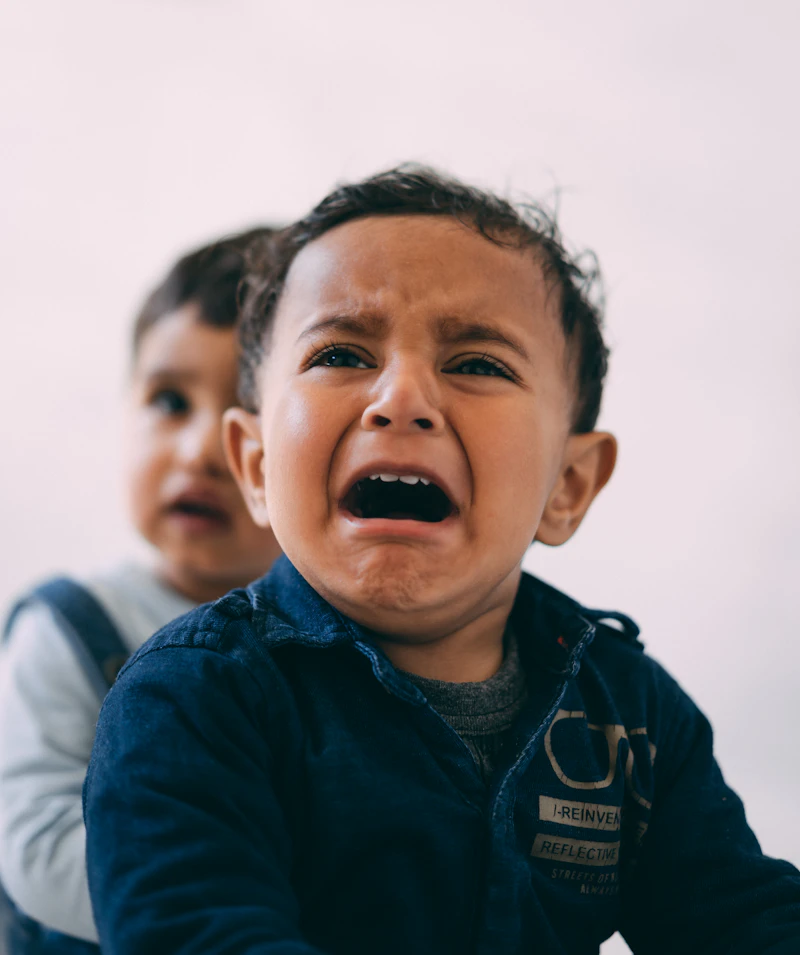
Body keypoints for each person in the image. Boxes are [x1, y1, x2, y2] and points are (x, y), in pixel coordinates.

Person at [83, 168, 800, 955]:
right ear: (255, 465)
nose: (401, 397)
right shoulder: (192, 699)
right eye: (341, 353)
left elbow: (747, 920)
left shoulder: (632, 717)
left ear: (567, 485)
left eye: (478, 364)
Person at [0, 228, 283, 953]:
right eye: (168, 400)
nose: (198, 452)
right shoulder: (70, 630)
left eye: (250, 412)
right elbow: (34, 842)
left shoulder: (348, 642)